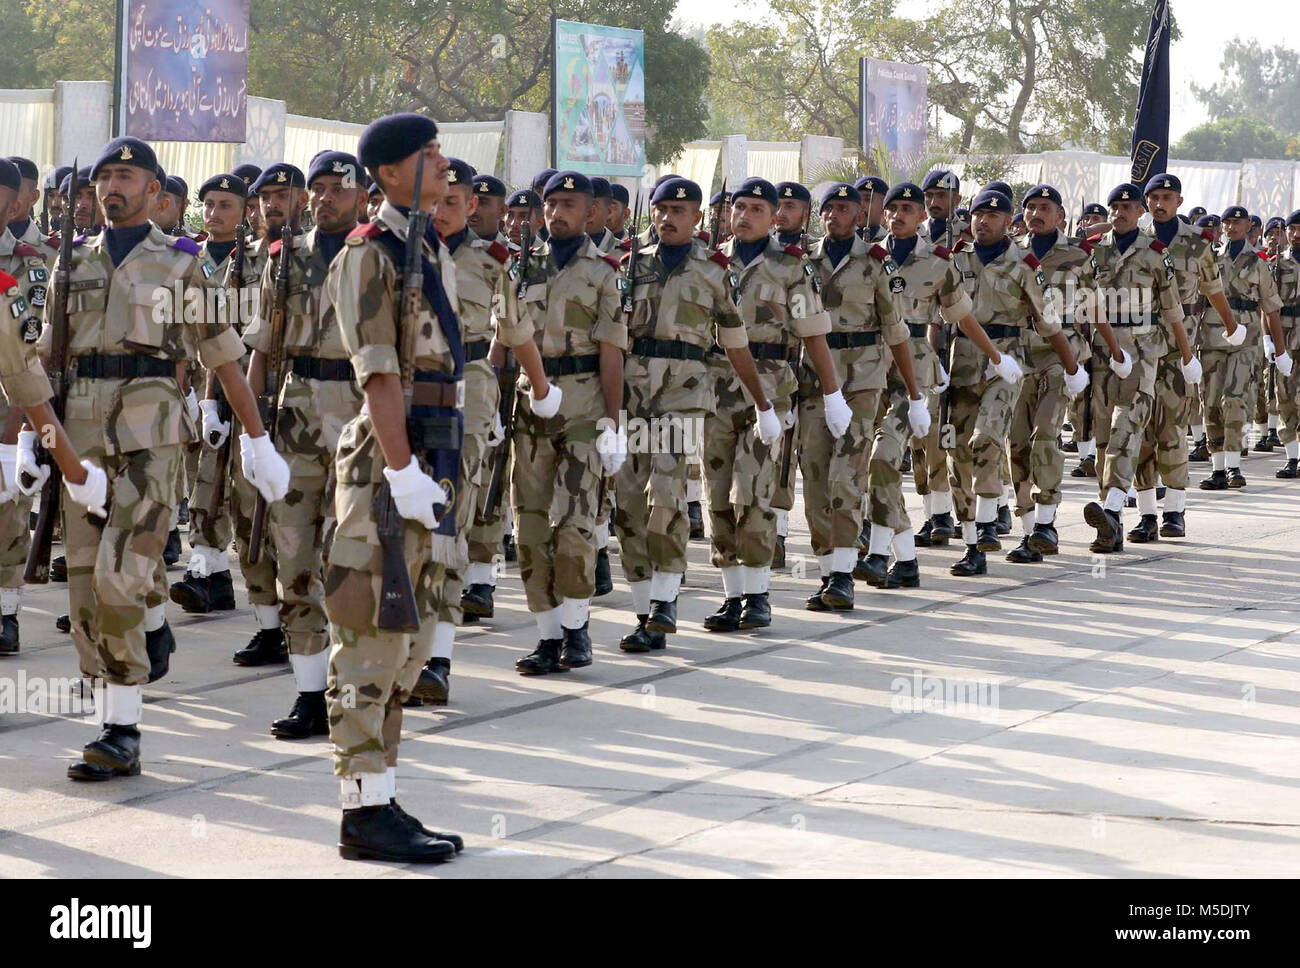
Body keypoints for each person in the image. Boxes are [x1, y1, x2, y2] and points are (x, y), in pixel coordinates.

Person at [42, 137, 289, 781]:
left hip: (153, 434)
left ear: (155, 191)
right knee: (85, 585)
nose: (111, 186)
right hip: (81, 436)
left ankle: (120, 728)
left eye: (126, 175)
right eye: (104, 177)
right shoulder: (72, 264)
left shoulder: (180, 264)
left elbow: (221, 354)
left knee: (119, 577)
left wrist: (255, 437)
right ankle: (138, 650)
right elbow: (42, 362)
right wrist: (25, 441)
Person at [324, 112, 465, 861]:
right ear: (387, 172)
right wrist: (401, 468)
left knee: (410, 641)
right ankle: (360, 813)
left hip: (433, 457)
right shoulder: (369, 253)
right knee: (371, 642)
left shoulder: (427, 245)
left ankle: (379, 798)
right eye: (428, 154)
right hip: (391, 464)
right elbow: (379, 371)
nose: (443, 163)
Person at [612, 176, 771, 649]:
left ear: (698, 218)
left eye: (679, 211)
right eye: (661, 210)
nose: (667, 218)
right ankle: (644, 612)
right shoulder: (629, 266)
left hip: (683, 394)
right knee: (628, 504)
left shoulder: (713, 271)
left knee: (665, 491)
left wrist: (762, 402)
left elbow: (735, 341)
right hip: (634, 394)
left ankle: (665, 601)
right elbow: (610, 340)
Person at [241, 151, 367, 738]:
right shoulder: (284, 258)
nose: (325, 197)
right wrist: (252, 432)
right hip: (293, 421)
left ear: (362, 194)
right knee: (294, 561)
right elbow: (263, 346)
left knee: (353, 563)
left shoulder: (380, 256)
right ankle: (310, 692)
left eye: (338, 188)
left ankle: (361, 686)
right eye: (317, 188)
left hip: (361, 419)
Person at [703, 176, 838, 632]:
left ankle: (758, 594)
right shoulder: (709, 262)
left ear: (773, 217)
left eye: (756, 209)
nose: (743, 215)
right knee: (717, 492)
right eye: (738, 207)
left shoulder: (790, 268)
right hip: (715, 388)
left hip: (772, 386)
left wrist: (832, 392)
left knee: (755, 489)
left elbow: (813, 332)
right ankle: (732, 593)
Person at [505, 171, 625, 673]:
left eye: (568, 204)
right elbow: (504, 338)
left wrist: (614, 424)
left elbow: (612, 351)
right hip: (531, 407)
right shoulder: (518, 268)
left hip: (582, 408)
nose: (556, 212)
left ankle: (577, 628)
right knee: (530, 523)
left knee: (574, 523)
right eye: (550, 204)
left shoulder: (603, 273)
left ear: (591, 214)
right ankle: (547, 635)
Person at [408, 157, 511, 703]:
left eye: (454, 202)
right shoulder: (399, 250)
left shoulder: (491, 260)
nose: (442, 211)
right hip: (407, 387)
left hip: (465, 386)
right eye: (436, 199)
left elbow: (512, 331)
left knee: (449, 517)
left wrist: (496, 393)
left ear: (472, 205)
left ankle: (439, 658)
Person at [944, 188, 1087, 575]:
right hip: (962, 363)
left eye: (993, 216)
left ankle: (1004, 520)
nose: (983, 221)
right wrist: (935, 364)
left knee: (990, 438)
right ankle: (977, 540)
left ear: (1009, 222)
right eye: (977, 214)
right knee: (958, 453)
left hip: (1008, 362)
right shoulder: (955, 259)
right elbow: (938, 315)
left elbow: (1049, 320)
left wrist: (1073, 367)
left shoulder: (1024, 263)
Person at [801, 182, 927, 607]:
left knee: (847, 476)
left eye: (843, 209)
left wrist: (914, 394)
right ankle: (826, 572)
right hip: (812, 380)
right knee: (815, 479)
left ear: (860, 215)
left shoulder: (876, 264)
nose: (834, 215)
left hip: (861, 381)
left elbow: (896, 331)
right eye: (828, 209)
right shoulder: (803, 263)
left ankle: (842, 575)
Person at [1082, 183, 1201, 552]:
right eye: (1115, 206)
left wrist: (1186, 356)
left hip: (1143, 350)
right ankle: (1120, 520)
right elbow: (1081, 303)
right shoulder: (1095, 254)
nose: (1120, 212)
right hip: (1102, 352)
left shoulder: (1155, 254)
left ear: (1140, 213)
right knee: (1104, 435)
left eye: (1128, 207)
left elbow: (1172, 311)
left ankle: (1113, 510)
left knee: (1127, 427)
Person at [1009, 184, 1121, 560]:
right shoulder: (1014, 254)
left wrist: (1116, 352)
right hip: (1019, 355)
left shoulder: (1076, 256)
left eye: (1045, 207)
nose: (1036, 213)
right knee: (1017, 441)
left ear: (1060, 216)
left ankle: (1045, 521)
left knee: (1046, 432)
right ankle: (1029, 530)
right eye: (1030, 208)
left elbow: (1094, 306)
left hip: (1063, 355)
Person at [1133, 174, 1243, 539]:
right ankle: (1146, 514)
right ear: (1146, 201)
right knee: (1140, 432)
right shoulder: (1133, 237)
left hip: (1180, 352)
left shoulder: (1197, 242)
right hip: (1139, 349)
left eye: (1167, 197)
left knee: (1173, 430)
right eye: (1154, 197)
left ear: (1179, 202)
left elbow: (1213, 290)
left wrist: (1231, 327)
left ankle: (1175, 511)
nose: (1160, 203)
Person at [1199, 205, 1289, 490]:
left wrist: (1279, 348)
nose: (1231, 227)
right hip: (1213, 336)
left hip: (1247, 339)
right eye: (1227, 222)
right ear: (1221, 227)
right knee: (1211, 402)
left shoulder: (1259, 262)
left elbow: (1271, 308)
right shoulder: (1210, 258)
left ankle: (1234, 466)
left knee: (1236, 399)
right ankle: (1217, 468)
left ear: (1248, 225)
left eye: (1237, 222)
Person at [1274, 210, 1300, 477]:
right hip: (1286, 336)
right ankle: (1291, 457)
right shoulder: (1277, 264)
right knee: (1285, 395)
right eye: (1292, 229)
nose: (1296, 234)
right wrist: (1271, 341)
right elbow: (1268, 306)